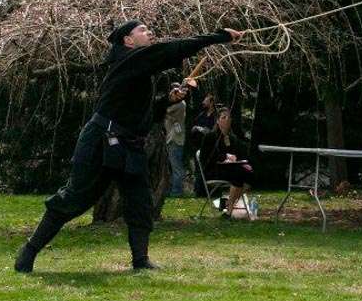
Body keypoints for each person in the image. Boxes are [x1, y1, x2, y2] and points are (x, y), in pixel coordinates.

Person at [14, 20, 242, 273]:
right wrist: (218, 36)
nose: (150, 32)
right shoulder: (130, 60)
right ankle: (29, 251)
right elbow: (171, 50)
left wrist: (167, 101)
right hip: (101, 141)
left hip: (129, 145)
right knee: (74, 199)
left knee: (140, 202)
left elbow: (141, 116)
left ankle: (140, 261)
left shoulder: (139, 69)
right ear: (128, 41)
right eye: (143, 30)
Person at [200, 107, 254, 218]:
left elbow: (240, 154)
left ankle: (227, 203)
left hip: (230, 169)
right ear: (218, 120)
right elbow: (206, 158)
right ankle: (229, 211)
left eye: (229, 117)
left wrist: (240, 160)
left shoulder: (233, 138)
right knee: (238, 173)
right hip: (214, 170)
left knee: (249, 172)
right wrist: (224, 157)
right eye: (223, 117)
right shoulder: (210, 137)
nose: (227, 120)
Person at [165, 82, 187, 197]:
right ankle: (175, 189)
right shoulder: (177, 103)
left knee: (176, 167)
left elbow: (165, 110)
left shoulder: (180, 104)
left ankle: (177, 192)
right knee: (174, 166)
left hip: (175, 139)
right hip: (172, 138)